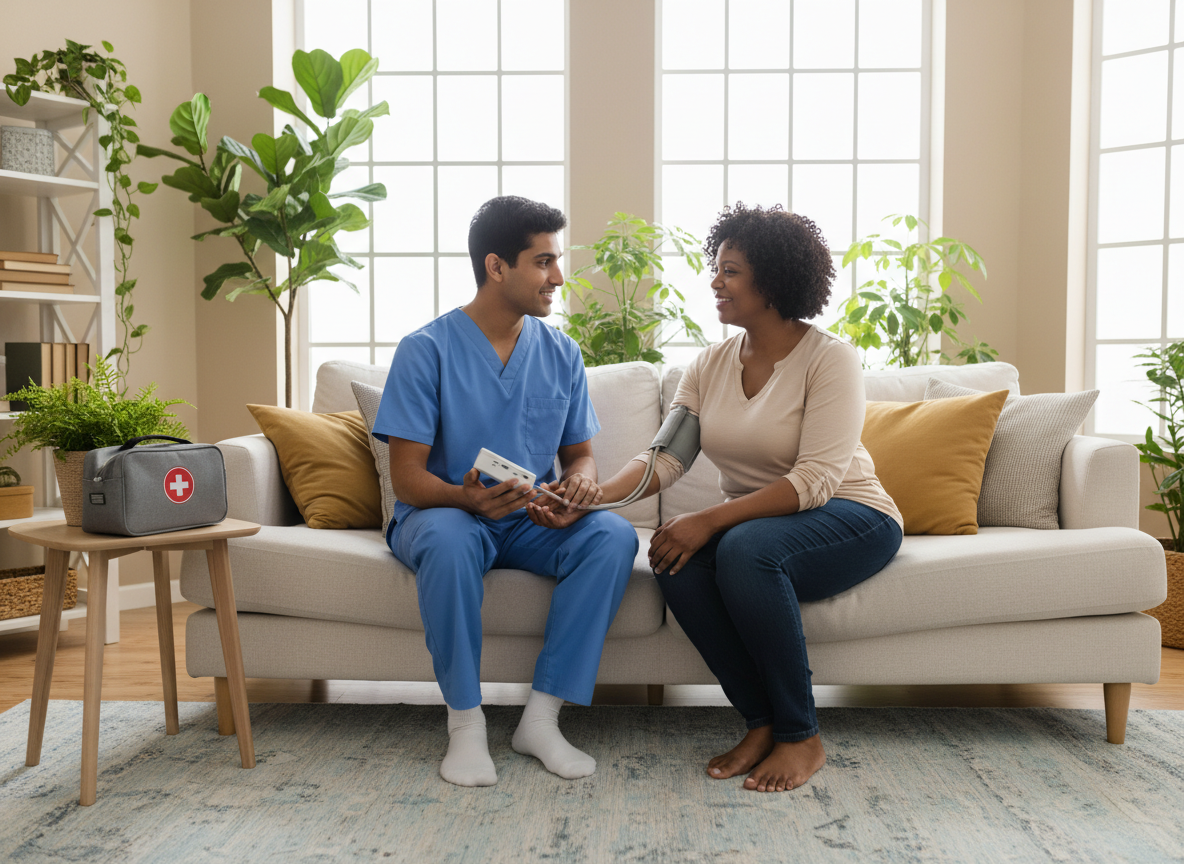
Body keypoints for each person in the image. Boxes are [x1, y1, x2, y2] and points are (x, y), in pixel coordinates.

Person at [596, 203, 904, 793]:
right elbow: (667, 456)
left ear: (773, 280)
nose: (715, 281)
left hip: (852, 515)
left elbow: (815, 479)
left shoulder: (829, 358)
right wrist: (592, 497)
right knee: (673, 559)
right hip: (757, 530)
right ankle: (762, 723)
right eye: (717, 268)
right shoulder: (710, 364)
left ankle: (800, 734)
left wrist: (708, 519)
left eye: (730, 270)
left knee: (742, 550)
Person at [372, 196, 638, 787]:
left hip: (528, 520)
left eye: (556, 261)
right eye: (543, 262)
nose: (558, 278)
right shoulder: (426, 350)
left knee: (612, 538)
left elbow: (582, 455)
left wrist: (579, 488)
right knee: (448, 542)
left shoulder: (561, 351)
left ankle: (540, 720)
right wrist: (465, 499)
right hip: (445, 514)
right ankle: (465, 728)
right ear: (497, 267)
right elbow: (407, 477)